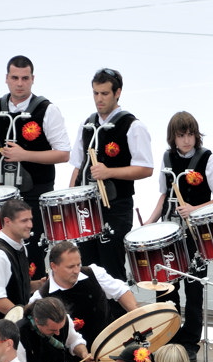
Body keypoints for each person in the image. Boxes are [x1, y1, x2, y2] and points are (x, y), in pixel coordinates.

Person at [144, 111, 213, 362]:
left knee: (194, 289)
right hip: (169, 232)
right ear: (173, 137)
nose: (187, 140)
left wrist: (195, 209)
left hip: (196, 235)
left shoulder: (208, 159)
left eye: (190, 134)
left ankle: (190, 343)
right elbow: (163, 195)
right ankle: (167, 338)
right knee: (165, 288)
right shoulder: (167, 157)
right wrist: (148, 223)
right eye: (181, 135)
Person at [0, 55, 70, 270]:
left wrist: (24, 155)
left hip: (34, 194)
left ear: (33, 79)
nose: (20, 83)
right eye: (15, 77)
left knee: (33, 255)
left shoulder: (47, 110)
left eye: (25, 78)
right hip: (2, 193)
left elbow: (63, 154)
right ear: (7, 78)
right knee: (1, 254)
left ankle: (32, 301)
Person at [69, 68, 153, 281]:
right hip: (86, 210)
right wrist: (71, 202)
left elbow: (146, 168)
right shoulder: (87, 124)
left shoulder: (132, 126)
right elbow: (78, 166)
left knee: (111, 272)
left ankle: (116, 315)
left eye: (105, 93)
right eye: (96, 93)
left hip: (115, 207)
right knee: (84, 271)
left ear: (118, 93)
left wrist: (109, 172)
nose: (99, 99)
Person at [34, 241, 138, 362]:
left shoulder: (93, 273)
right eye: (70, 267)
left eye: (78, 264)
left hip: (114, 353)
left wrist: (138, 316)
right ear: (54, 266)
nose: (76, 270)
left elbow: (120, 291)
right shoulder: (41, 298)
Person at [0, 198, 45, 328]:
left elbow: (15, 287)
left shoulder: (20, 247)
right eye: (24, 221)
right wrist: (26, 319)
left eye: (30, 219)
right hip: (0, 332)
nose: (30, 225)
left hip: (15, 329)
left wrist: (40, 285)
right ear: (7, 221)